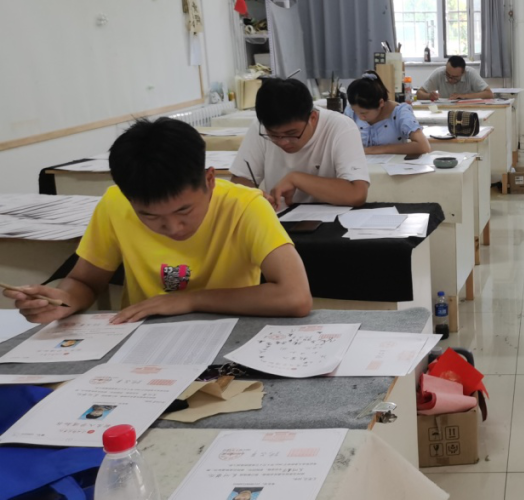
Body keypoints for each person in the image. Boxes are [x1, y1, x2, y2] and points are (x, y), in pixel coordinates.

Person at [2, 118, 312, 325]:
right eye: (149, 216)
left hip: (230, 332)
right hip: (142, 338)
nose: (173, 228)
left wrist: (189, 301)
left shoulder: (245, 206)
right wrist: (64, 299)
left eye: (184, 211)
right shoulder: (115, 204)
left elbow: (295, 297)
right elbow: (86, 282)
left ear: (209, 180)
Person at [230, 78, 370, 209]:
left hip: (330, 220)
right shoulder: (259, 127)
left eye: (292, 134)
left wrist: (296, 179)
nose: (283, 142)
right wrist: (254, 197)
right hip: (279, 216)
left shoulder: (340, 127)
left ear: (312, 118)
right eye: (273, 135)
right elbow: (239, 179)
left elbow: (357, 193)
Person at [345, 72, 432, 156]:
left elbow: (423, 146)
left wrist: (374, 150)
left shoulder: (400, 113)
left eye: (364, 113)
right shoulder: (350, 112)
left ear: (380, 103)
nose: (360, 117)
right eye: (355, 111)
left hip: (394, 165)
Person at [415, 56, 493, 101]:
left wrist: (464, 96)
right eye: (448, 75)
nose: (450, 79)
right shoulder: (439, 73)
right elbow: (419, 93)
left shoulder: (470, 73)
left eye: (455, 77)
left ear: (463, 73)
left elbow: (489, 94)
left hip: (468, 110)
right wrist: (429, 96)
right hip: (445, 110)